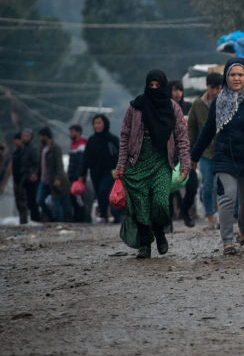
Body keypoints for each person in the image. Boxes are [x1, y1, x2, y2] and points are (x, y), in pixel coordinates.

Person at [190, 58, 244, 256]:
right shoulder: (219, 102)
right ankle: (227, 241)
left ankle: (243, 233)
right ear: (227, 77)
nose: (236, 78)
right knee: (228, 195)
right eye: (232, 75)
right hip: (225, 156)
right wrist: (194, 156)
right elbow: (207, 131)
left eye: (240, 74)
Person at [115, 70, 191, 258]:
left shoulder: (172, 108)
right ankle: (144, 246)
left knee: (160, 201)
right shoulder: (135, 107)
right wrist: (121, 166)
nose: (155, 89)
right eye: (152, 86)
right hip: (138, 162)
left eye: (158, 86)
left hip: (162, 162)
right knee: (141, 205)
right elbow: (125, 136)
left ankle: (159, 232)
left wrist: (185, 164)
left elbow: (182, 137)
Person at [187, 71, 224, 227]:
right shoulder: (197, 104)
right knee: (208, 185)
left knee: (222, 186)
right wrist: (192, 154)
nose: (215, 92)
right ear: (207, 86)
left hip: (223, 151)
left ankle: (220, 216)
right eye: (212, 88)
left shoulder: (226, 102)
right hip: (205, 152)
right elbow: (192, 129)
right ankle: (210, 215)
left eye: (218, 88)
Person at [169, 79, 198, 227]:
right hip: (168, 154)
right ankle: (167, 221)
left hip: (187, 153)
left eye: (180, 90)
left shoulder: (189, 107)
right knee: (169, 188)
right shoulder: (165, 109)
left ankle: (185, 211)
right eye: (174, 90)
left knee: (192, 186)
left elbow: (195, 128)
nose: (177, 93)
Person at [81, 114, 120, 223]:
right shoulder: (91, 140)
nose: (97, 125)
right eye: (95, 123)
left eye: (99, 122)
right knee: (99, 194)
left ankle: (108, 214)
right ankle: (104, 216)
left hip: (110, 173)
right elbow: (86, 158)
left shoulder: (112, 139)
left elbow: (119, 156)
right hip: (95, 173)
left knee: (104, 191)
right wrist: (81, 174)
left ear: (105, 124)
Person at [35, 127, 71, 222]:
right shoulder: (42, 149)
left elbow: (59, 164)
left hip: (53, 180)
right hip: (44, 180)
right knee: (40, 200)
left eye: (41, 136)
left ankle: (60, 222)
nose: (40, 139)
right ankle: (51, 217)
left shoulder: (55, 148)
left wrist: (58, 178)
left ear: (46, 136)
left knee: (57, 202)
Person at [17, 129, 41, 223]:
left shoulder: (33, 149)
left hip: (31, 178)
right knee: (25, 201)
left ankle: (36, 219)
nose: (25, 138)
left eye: (27, 136)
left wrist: (33, 174)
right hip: (24, 178)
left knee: (33, 201)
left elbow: (35, 163)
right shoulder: (23, 149)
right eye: (24, 136)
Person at [67, 124, 89, 222]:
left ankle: (81, 218)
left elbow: (81, 162)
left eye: (72, 131)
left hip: (77, 177)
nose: (70, 134)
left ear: (78, 132)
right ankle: (77, 218)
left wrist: (80, 175)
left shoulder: (81, 144)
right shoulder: (74, 144)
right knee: (73, 198)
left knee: (78, 199)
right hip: (72, 176)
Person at [10, 133, 30, 224]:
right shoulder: (15, 152)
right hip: (16, 179)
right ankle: (22, 220)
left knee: (23, 202)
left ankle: (24, 221)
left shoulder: (24, 151)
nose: (15, 142)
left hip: (22, 179)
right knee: (18, 202)